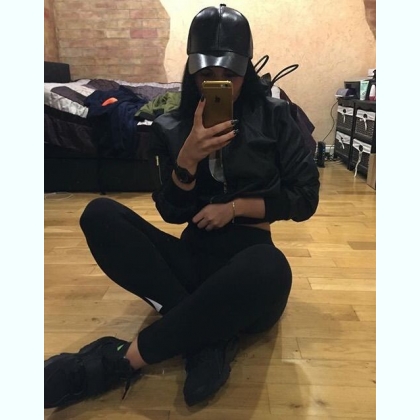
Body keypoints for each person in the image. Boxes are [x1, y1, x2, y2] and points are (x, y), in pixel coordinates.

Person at [44, 4, 320, 409]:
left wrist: (236, 207)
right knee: (99, 215)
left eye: (230, 75)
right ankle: (207, 336)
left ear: (247, 70)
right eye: (207, 74)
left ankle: (122, 359)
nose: (219, 83)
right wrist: (188, 159)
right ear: (192, 71)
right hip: (190, 259)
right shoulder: (171, 126)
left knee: (271, 267)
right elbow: (172, 213)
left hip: (249, 265)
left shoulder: (277, 117)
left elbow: (306, 197)